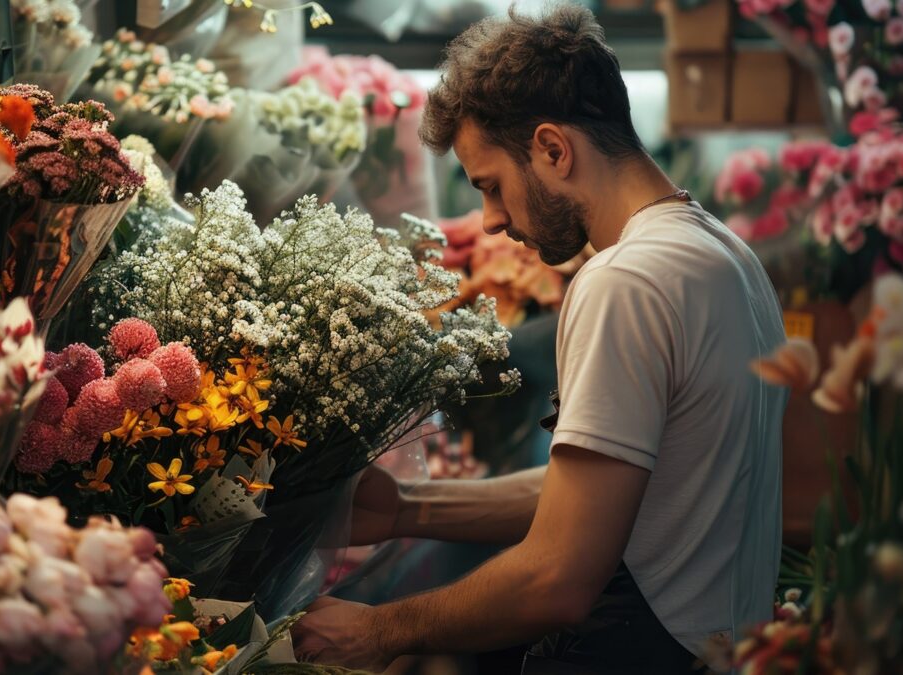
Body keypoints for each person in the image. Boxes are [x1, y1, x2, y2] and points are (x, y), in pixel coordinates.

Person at [290, 4, 788, 673]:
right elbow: (600, 500)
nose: (491, 221)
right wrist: (409, 506)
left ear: (553, 149)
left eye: (492, 186)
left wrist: (383, 629)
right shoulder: (726, 255)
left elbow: (558, 575)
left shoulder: (623, 282)